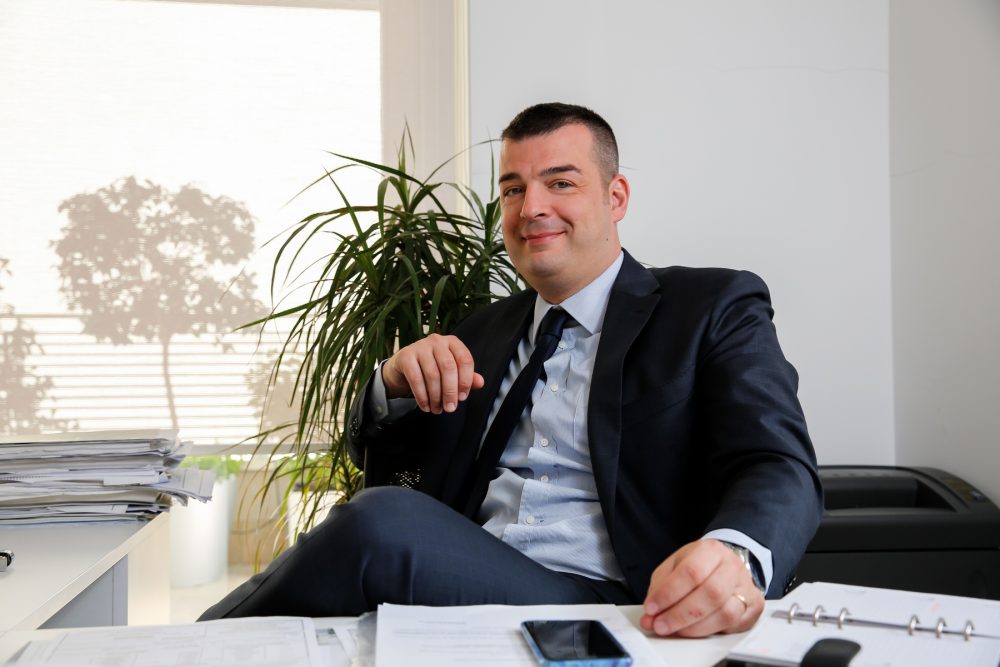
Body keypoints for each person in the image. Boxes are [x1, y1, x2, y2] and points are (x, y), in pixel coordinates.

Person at [201, 102, 822, 638]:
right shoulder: (479, 333)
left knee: (379, 522)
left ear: (616, 197)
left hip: (616, 602)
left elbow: (777, 462)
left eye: (561, 183)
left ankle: (193, 645)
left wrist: (734, 556)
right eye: (513, 190)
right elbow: (394, 472)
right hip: (471, 580)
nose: (532, 208)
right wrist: (392, 387)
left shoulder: (709, 307)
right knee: (370, 532)